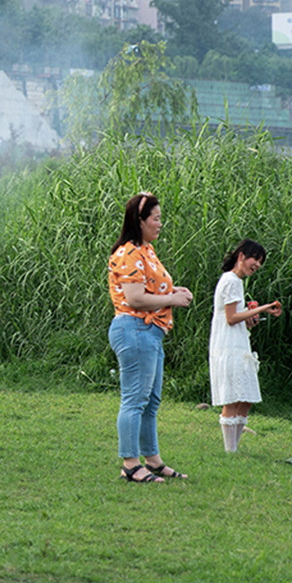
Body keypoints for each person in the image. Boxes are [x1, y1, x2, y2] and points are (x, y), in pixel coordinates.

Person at [106, 191, 194, 483]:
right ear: (139, 220)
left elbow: (151, 290)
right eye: (155, 218)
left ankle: (152, 459)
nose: (160, 224)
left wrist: (174, 292)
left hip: (151, 333)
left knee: (151, 400)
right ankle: (130, 464)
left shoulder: (146, 250)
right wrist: (171, 298)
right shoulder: (128, 252)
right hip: (135, 329)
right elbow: (134, 298)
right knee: (135, 399)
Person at [208, 239, 283, 452]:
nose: (257, 265)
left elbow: (235, 317)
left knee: (246, 397)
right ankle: (230, 449)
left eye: (260, 262)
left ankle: (233, 447)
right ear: (241, 256)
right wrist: (264, 308)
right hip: (229, 345)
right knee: (234, 397)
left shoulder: (235, 281)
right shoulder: (231, 280)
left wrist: (250, 317)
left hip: (237, 342)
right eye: (255, 259)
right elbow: (231, 318)